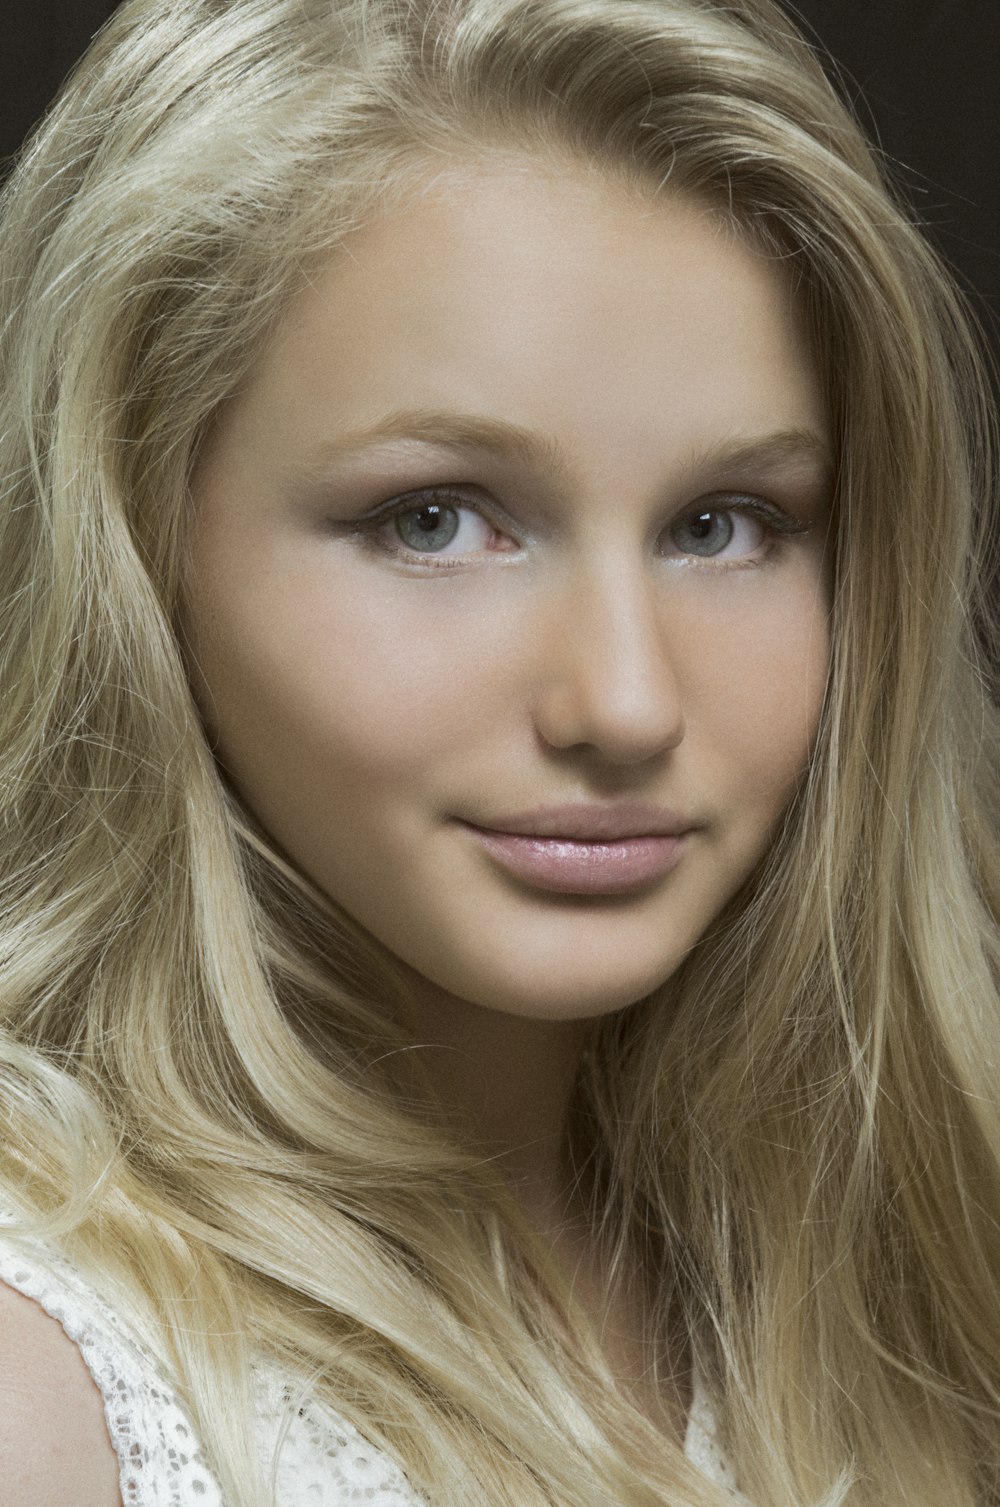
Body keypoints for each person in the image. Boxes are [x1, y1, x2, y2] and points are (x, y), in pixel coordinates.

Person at [0, 0, 997, 1502]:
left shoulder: (899, 1253)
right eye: (437, 518)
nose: (626, 700)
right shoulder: (48, 1382)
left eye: (724, 525)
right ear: (134, 542)